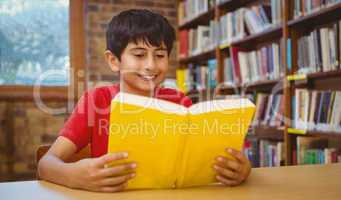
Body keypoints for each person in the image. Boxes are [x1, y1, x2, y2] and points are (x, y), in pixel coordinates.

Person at [38, 9, 251, 193]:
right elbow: (45, 164)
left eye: (160, 55)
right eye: (139, 55)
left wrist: (241, 169)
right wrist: (74, 176)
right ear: (114, 61)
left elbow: (216, 158)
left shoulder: (179, 102)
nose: (150, 65)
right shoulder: (96, 101)